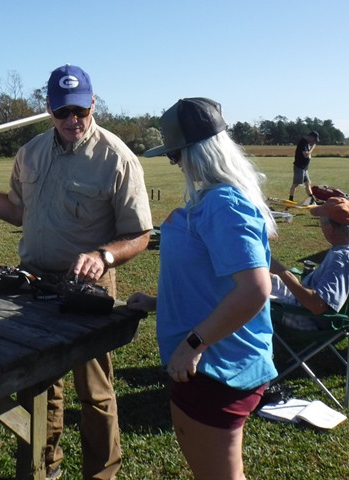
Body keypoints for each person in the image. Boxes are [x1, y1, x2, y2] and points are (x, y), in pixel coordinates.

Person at [0, 64, 153, 480]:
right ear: (49, 108)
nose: (73, 120)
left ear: (93, 103)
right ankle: (44, 468)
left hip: (88, 289)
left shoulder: (116, 157)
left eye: (80, 110)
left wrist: (103, 256)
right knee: (40, 387)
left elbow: (140, 234)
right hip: (33, 285)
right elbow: (17, 211)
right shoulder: (30, 153)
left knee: (96, 394)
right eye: (63, 111)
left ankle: (101, 474)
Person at [126, 97, 278, 480]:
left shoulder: (224, 204)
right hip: (214, 365)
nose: (175, 164)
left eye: (174, 154)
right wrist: (158, 303)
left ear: (196, 152)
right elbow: (214, 282)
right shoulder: (215, 200)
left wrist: (193, 345)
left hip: (216, 369)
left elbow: (254, 289)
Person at [271, 197, 349, 330]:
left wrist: (282, 272)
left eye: (321, 221)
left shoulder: (341, 258)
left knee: (258, 290)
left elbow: (317, 306)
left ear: (330, 228)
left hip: (310, 318)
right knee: (263, 276)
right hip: (309, 299)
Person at [289, 130, 320, 204]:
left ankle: (313, 200)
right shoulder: (303, 143)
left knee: (307, 183)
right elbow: (306, 155)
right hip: (299, 167)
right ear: (311, 137)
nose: (314, 142)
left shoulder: (307, 143)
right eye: (314, 140)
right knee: (296, 184)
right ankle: (290, 199)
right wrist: (313, 148)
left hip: (304, 168)